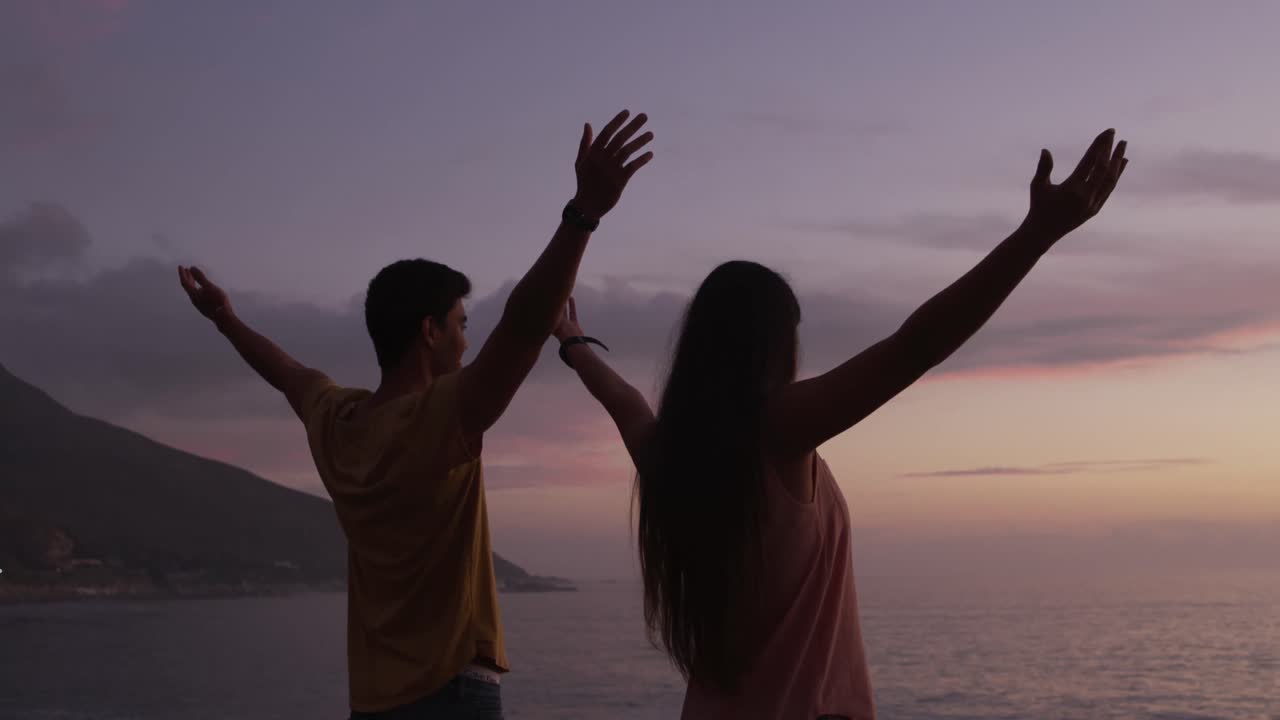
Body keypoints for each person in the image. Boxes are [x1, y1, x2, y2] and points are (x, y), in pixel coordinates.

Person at [552, 129, 1128, 720]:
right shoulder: (779, 430)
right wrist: (1036, 236)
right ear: (773, 345)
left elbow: (622, 398)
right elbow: (916, 346)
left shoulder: (667, 454)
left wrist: (573, 343)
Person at [177, 110, 655, 719]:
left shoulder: (338, 420)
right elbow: (524, 325)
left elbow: (282, 371)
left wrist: (226, 320)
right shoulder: (440, 418)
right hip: (453, 694)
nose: (465, 340)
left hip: (374, 702)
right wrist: (583, 213)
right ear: (429, 332)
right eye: (460, 325)